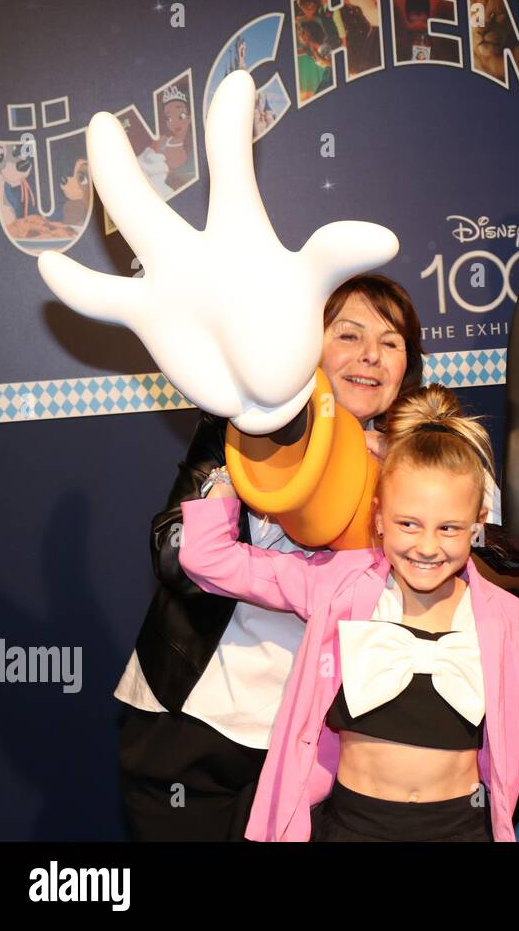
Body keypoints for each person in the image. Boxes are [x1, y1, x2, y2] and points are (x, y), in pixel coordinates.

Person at [180, 384, 519, 842]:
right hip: (349, 830)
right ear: (379, 518)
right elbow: (209, 560)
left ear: (478, 525)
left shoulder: (505, 619)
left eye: (449, 528)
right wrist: (229, 474)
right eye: (408, 524)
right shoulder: (339, 583)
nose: (426, 546)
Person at [115, 275, 422, 841]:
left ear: (408, 365)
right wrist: (239, 480)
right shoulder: (242, 429)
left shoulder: (418, 466)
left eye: (391, 342)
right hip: (193, 721)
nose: (370, 357)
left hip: (317, 743)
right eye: (348, 335)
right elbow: (172, 555)